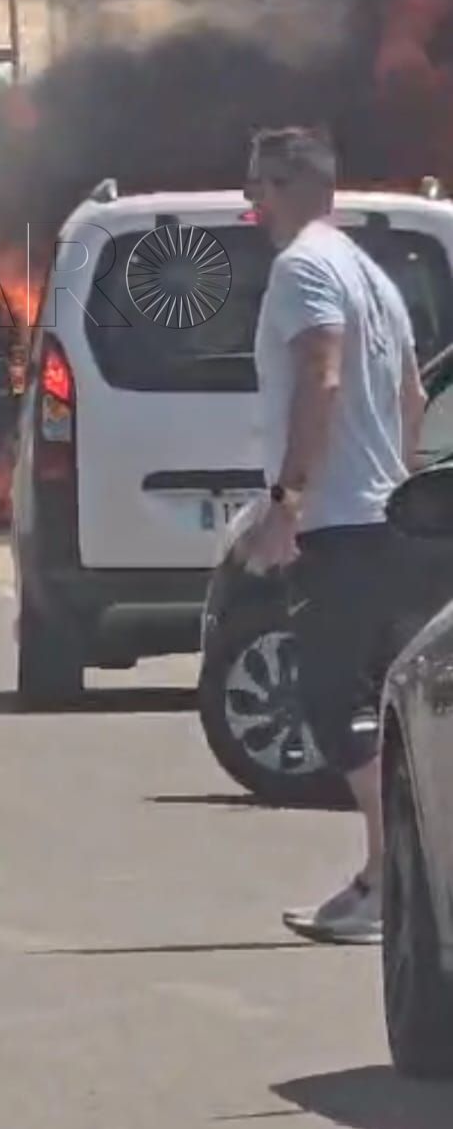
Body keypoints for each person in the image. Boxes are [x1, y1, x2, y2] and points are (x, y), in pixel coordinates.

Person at [240, 127, 428, 943]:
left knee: (328, 699)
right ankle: (389, 876)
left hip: (341, 519)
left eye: (257, 185)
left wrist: (287, 498)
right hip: (384, 515)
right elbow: (412, 394)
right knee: (382, 704)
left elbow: (318, 375)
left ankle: (389, 879)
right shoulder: (372, 275)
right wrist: (401, 482)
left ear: (291, 184)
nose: (251, 202)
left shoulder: (302, 268)